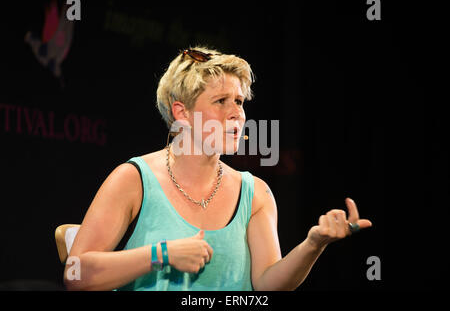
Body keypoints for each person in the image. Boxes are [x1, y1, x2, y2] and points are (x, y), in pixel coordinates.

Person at [64, 46, 372, 291]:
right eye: (221, 101)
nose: (236, 113)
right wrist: (161, 255)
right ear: (181, 112)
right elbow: (76, 276)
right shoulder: (133, 179)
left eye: (239, 101)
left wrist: (313, 244)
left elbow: (267, 284)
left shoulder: (256, 192)